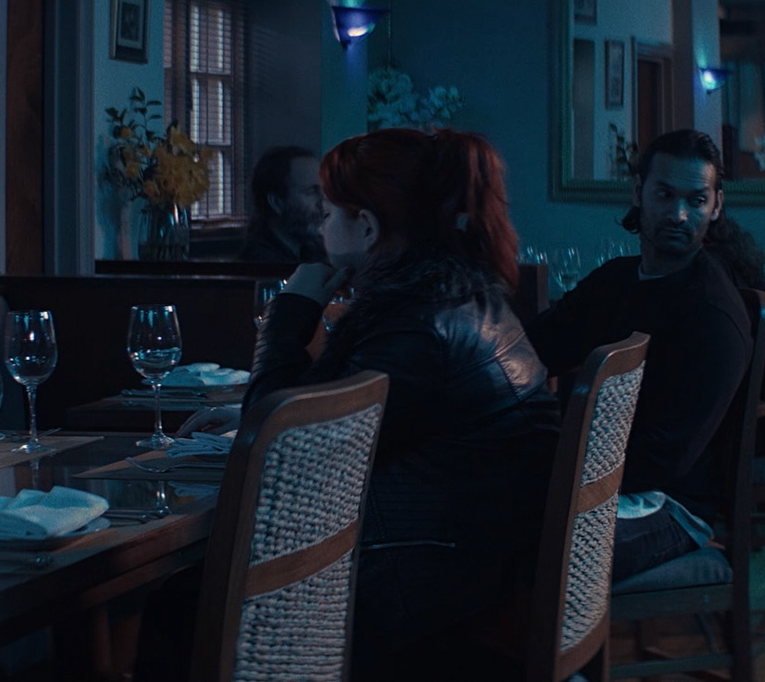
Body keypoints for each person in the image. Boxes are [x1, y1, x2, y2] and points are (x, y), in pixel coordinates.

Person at [183, 127, 558, 679]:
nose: (321, 226)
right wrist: (254, 413)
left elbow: (284, 455)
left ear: (366, 226)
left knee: (187, 599)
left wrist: (291, 310)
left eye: (329, 213)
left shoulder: (416, 324)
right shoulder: (451, 294)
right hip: (479, 544)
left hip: (442, 572)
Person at [526, 129, 754, 583]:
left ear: (716, 206)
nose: (679, 214)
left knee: (528, 547)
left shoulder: (712, 314)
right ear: (638, 193)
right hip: (596, 479)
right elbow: (536, 351)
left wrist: (557, 472)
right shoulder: (615, 281)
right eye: (665, 195)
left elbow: (666, 457)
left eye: (696, 200)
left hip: (672, 505)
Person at [235, 145, 325, 262]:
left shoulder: (312, 250)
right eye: (311, 192)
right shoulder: (261, 262)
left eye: (324, 190)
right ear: (277, 203)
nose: (324, 202)